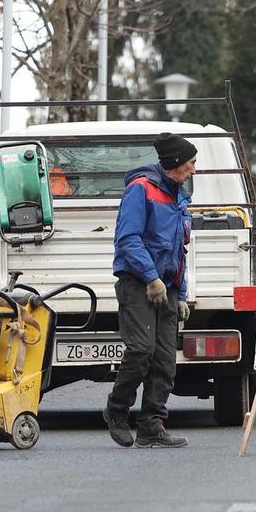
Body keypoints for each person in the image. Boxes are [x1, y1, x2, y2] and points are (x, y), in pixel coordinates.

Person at [105, 132, 196, 449]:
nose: (194, 169)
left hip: (167, 288)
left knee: (164, 362)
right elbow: (128, 240)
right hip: (138, 284)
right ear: (175, 163)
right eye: (191, 163)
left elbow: (178, 249)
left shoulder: (177, 196)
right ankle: (116, 410)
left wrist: (180, 293)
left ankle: (151, 426)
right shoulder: (140, 190)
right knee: (141, 350)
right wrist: (151, 278)